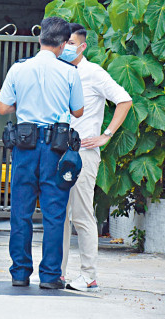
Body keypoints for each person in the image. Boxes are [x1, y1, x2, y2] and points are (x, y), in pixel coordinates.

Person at [0, 16, 85, 289]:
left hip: (25, 147)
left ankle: (20, 273)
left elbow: (2, 107)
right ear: (62, 45)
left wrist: (23, 105)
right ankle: (49, 276)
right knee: (54, 213)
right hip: (55, 150)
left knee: (21, 212)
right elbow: (78, 111)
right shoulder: (70, 71)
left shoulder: (19, 68)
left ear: (40, 38)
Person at [60, 23, 132, 292]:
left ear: (82, 46)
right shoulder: (60, 70)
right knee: (59, 215)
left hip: (83, 152)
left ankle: (88, 275)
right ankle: (57, 271)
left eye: (71, 42)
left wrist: (107, 134)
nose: (66, 47)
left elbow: (124, 100)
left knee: (81, 215)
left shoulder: (93, 73)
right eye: (63, 42)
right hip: (59, 150)